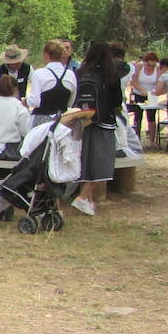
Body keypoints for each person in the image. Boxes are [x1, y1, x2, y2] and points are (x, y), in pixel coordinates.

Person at [70, 42, 124, 216]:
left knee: (84, 160)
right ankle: (82, 197)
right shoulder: (111, 75)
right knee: (102, 162)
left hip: (83, 120)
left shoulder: (80, 73)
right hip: (104, 121)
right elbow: (116, 101)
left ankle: (88, 200)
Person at [27, 40, 76, 127]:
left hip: (42, 122)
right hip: (62, 122)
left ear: (45, 55)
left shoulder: (39, 74)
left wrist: (26, 100)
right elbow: (70, 102)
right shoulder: (70, 75)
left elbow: (35, 102)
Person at [128, 51, 161, 142]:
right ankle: (135, 139)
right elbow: (134, 81)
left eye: (152, 65)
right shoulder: (139, 66)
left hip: (152, 94)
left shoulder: (158, 68)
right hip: (139, 93)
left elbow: (159, 81)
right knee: (137, 116)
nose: (150, 67)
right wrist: (142, 90)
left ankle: (152, 141)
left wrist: (153, 92)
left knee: (151, 117)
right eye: (148, 65)